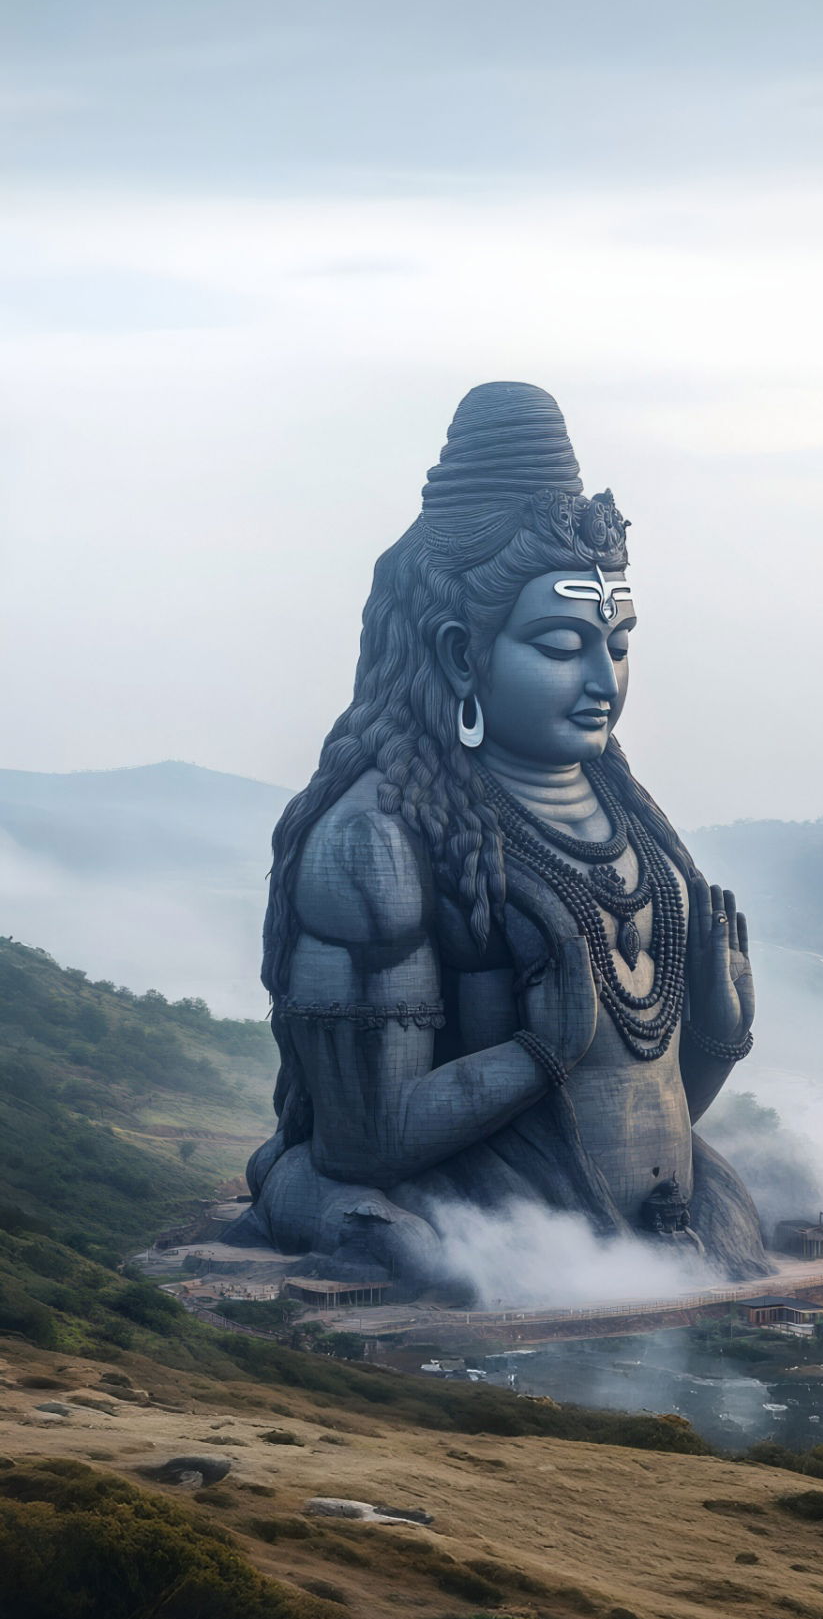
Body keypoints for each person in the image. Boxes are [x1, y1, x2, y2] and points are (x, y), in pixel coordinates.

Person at [225, 383, 769, 1289]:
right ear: (455, 651)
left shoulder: (631, 821)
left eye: (619, 640)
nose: (604, 680)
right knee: (404, 1256)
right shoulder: (374, 845)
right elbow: (367, 1142)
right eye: (562, 644)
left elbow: (646, 1100)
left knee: (737, 1238)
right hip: (461, 1214)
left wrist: (717, 1037)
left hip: (635, 1220)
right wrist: (537, 1053)